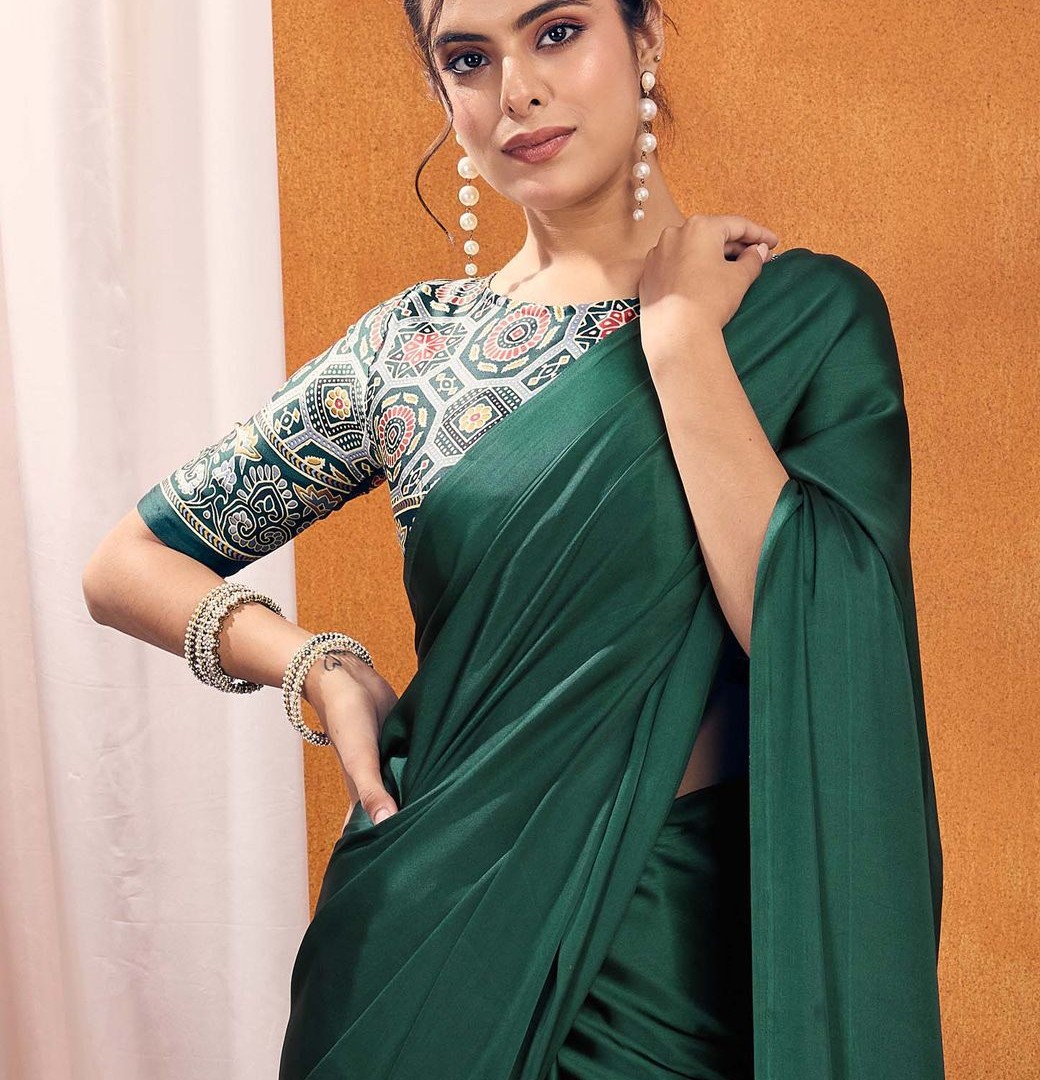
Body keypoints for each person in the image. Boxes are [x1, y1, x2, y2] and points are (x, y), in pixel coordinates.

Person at [82, 1, 947, 1077]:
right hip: (425, 937)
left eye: (556, 32)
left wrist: (680, 338)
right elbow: (124, 566)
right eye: (467, 58)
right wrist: (317, 666)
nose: (517, 91)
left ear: (644, 36)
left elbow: (812, 630)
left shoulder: (803, 318)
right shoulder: (413, 353)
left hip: (679, 964)